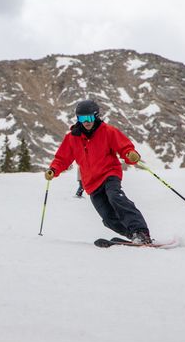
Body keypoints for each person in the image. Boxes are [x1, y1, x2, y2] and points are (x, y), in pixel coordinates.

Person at [44, 99, 152, 244]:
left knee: (116, 198)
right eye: (82, 118)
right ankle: (132, 236)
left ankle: (141, 232)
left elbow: (124, 148)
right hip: (91, 183)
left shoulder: (107, 131)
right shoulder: (72, 138)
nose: (86, 121)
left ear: (96, 116)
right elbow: (62, 158)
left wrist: (131, 155)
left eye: (89, 117)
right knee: (107, 218)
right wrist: (53, 169)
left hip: (109, 174)